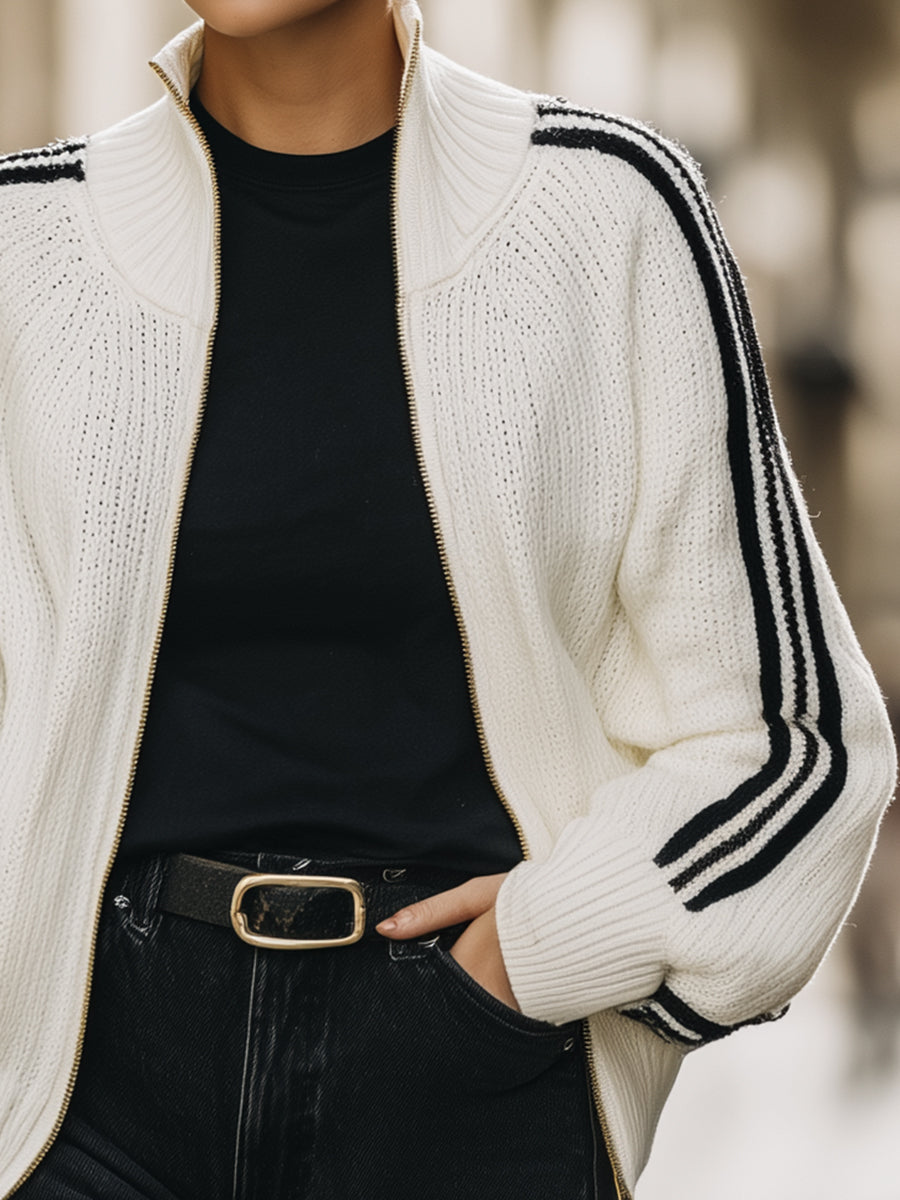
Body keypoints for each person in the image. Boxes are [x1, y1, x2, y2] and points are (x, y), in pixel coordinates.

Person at [0, 1, 894, 1196]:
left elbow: (798, 749)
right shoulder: (23, 244)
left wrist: (532, 958)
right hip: (89, 1096)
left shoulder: (609, 210)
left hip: (465, 1078)